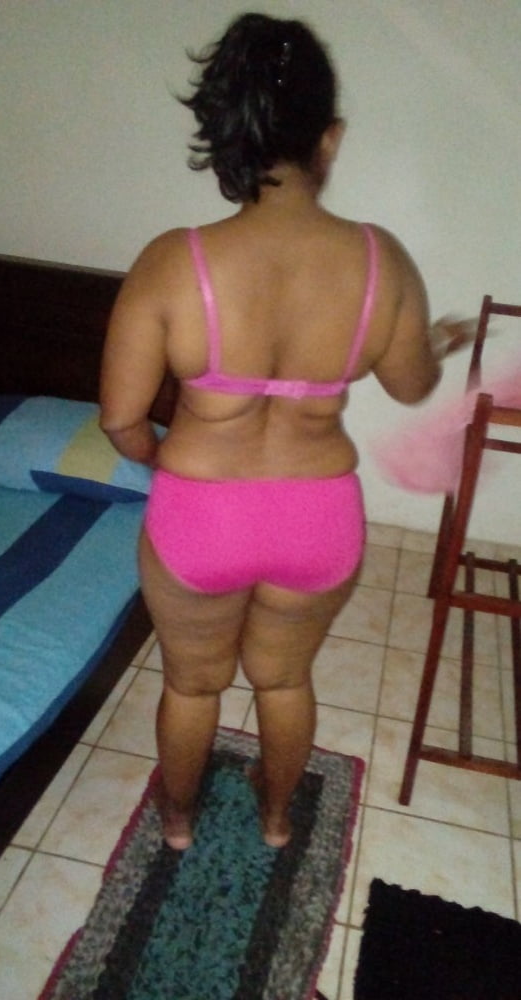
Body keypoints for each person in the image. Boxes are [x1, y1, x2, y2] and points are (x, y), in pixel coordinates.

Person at [100, 12, 471, 850]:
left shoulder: (172, 259)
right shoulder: (379, 259)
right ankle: (273, 819)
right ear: (327, 138)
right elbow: (410, 384)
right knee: (283, 679)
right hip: (316, 516)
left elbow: (119, 418)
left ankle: (177, 823)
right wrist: (433, 341)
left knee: (192, 685)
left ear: (224, 133)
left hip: (202, 513)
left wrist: (162, 461)